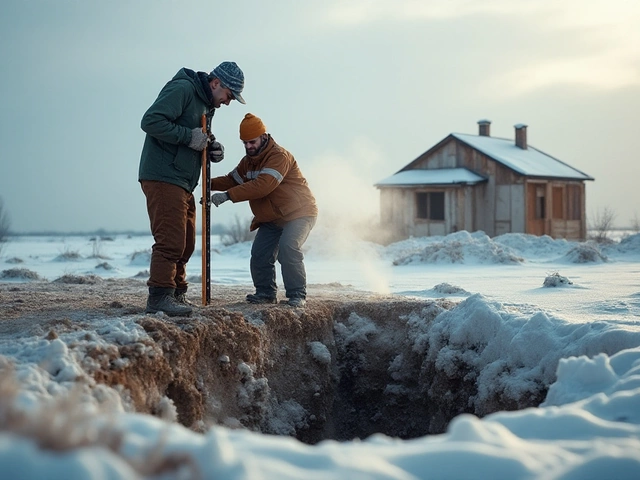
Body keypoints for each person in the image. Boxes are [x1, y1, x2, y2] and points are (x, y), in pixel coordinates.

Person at [138, 61, 246, 316]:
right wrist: (189, 137)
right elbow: (151, 121)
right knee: (170, 240)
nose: (228, 102)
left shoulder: (207, 105)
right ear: (216, 83)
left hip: (185, 180)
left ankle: (177, 293)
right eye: (229, 95)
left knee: (185, 243)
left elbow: (198, 136)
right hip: (164, 175)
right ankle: (159, 297)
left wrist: (211, 147)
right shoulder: (184, 89)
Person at [210, 113, 318, 307]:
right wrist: (206, 183)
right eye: (245, 143)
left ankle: (297, 295)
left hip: (300, 213)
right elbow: (231, 179)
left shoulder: (279, 157)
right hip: (272, 217)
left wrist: (227, 195)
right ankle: (266, 293)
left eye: (252, 142)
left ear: (263, 137)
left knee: (288, 247)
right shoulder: (248, 161)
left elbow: (263, 186)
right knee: (260, 254)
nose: (248, 146)